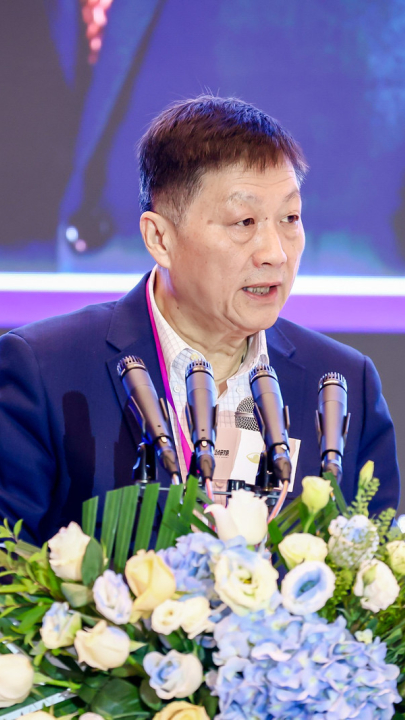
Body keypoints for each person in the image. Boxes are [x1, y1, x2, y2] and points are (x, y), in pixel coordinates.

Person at [0, 96, 400, 546]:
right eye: (244, 221)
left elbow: (376, 573)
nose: (276, 253)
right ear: (160, 238)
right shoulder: (46, 370)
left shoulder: (344, 384)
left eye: (290, 217)